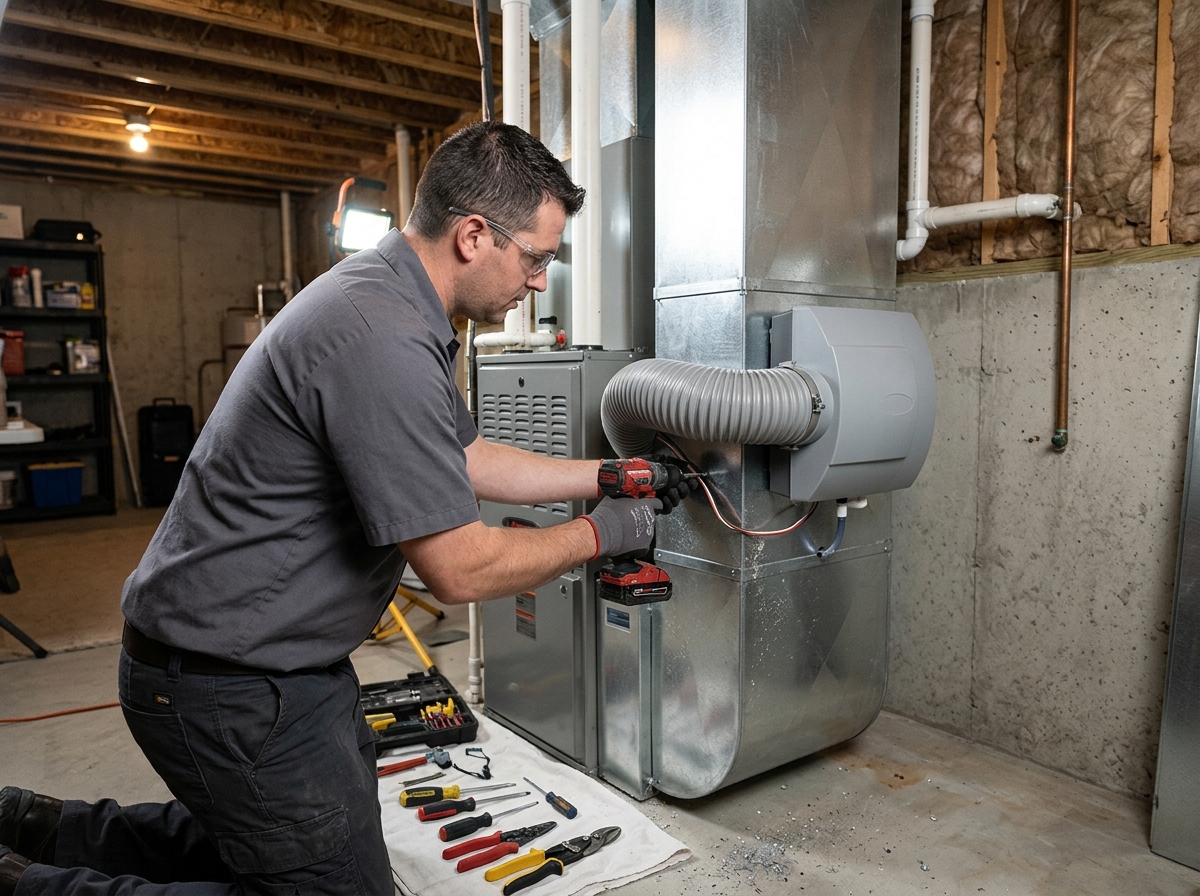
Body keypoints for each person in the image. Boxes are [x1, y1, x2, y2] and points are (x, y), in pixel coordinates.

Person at [0, 120, 685, 896]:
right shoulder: (383, 337)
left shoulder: (394, 301)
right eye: (535, 257)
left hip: (274, 663)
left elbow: (465, 460)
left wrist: (600, 474)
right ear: (472, 235)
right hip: (228, 679)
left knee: (290, 845)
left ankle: (34, 827)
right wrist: (603, 534)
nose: (538, 281)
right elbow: (459, 569)